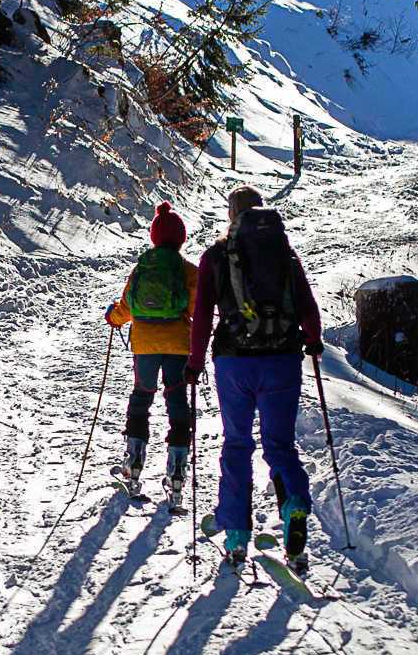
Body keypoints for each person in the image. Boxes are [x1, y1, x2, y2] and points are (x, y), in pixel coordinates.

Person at [185, 185, 322, 573]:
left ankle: (236, 534)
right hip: (282, 360)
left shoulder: (216, 256)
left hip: (235, 363)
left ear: (232, 215)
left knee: (237, 445)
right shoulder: (285, 253)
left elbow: (203, 315)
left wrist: (194, 362)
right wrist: (312, 341)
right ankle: (294, 503)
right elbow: (307, 304)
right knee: (280, 445)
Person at [104, 202, 198, 503]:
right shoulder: (188, 270)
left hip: (145, 345)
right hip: (179, 345)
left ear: (154, 236)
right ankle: (178, 469)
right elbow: (197, 309)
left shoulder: (143, 265)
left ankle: (133, 464)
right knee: (177, 402)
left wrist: (112, 317)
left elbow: (127, 308)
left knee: (142, 396)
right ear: (181, 238)